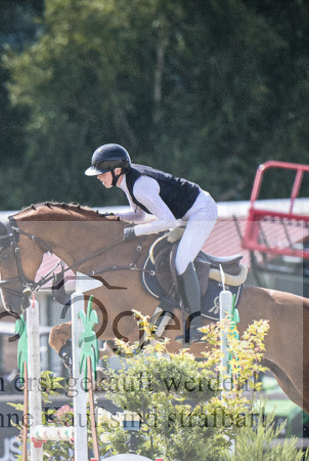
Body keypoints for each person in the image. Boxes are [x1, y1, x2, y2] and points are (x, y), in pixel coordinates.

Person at [84, 143, 218, 342]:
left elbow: (169, 222)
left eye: (102, 173)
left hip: (201, 212)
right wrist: (111, 217)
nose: (98, 177)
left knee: (181, 261)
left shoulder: (139, 187)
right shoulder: (127, 181)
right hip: (186, 214)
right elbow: (138, 214)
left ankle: (197, 327)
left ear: (117, 170)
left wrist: (134, 233)